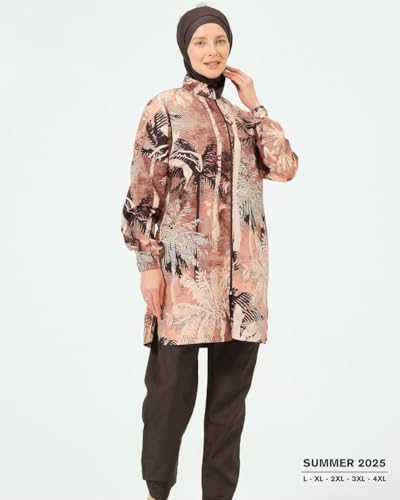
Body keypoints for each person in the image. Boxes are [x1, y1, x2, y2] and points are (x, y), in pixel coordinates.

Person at [120, 4, 299, 499]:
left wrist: (256, 105)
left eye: (220, 41)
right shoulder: (165, 107)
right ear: (185, 48)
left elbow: (285, 167)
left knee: (228, 406)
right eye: (200, 42)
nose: (212, 51)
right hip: (185, 280)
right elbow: (143, 189)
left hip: (244, 285)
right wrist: (148, 264)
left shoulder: (244, 120)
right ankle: (157, 492)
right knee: (170, 397)